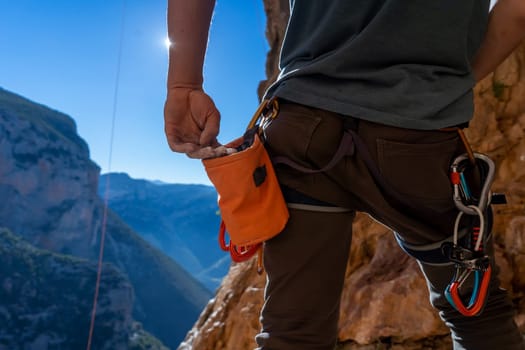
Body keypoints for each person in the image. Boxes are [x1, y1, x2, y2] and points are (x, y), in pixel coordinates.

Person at [164, 0, 525, 349]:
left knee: (292, 334)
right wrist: (450, 83)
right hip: (420, 135)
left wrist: (183, 85)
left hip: (304, 128)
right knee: (478, 316)